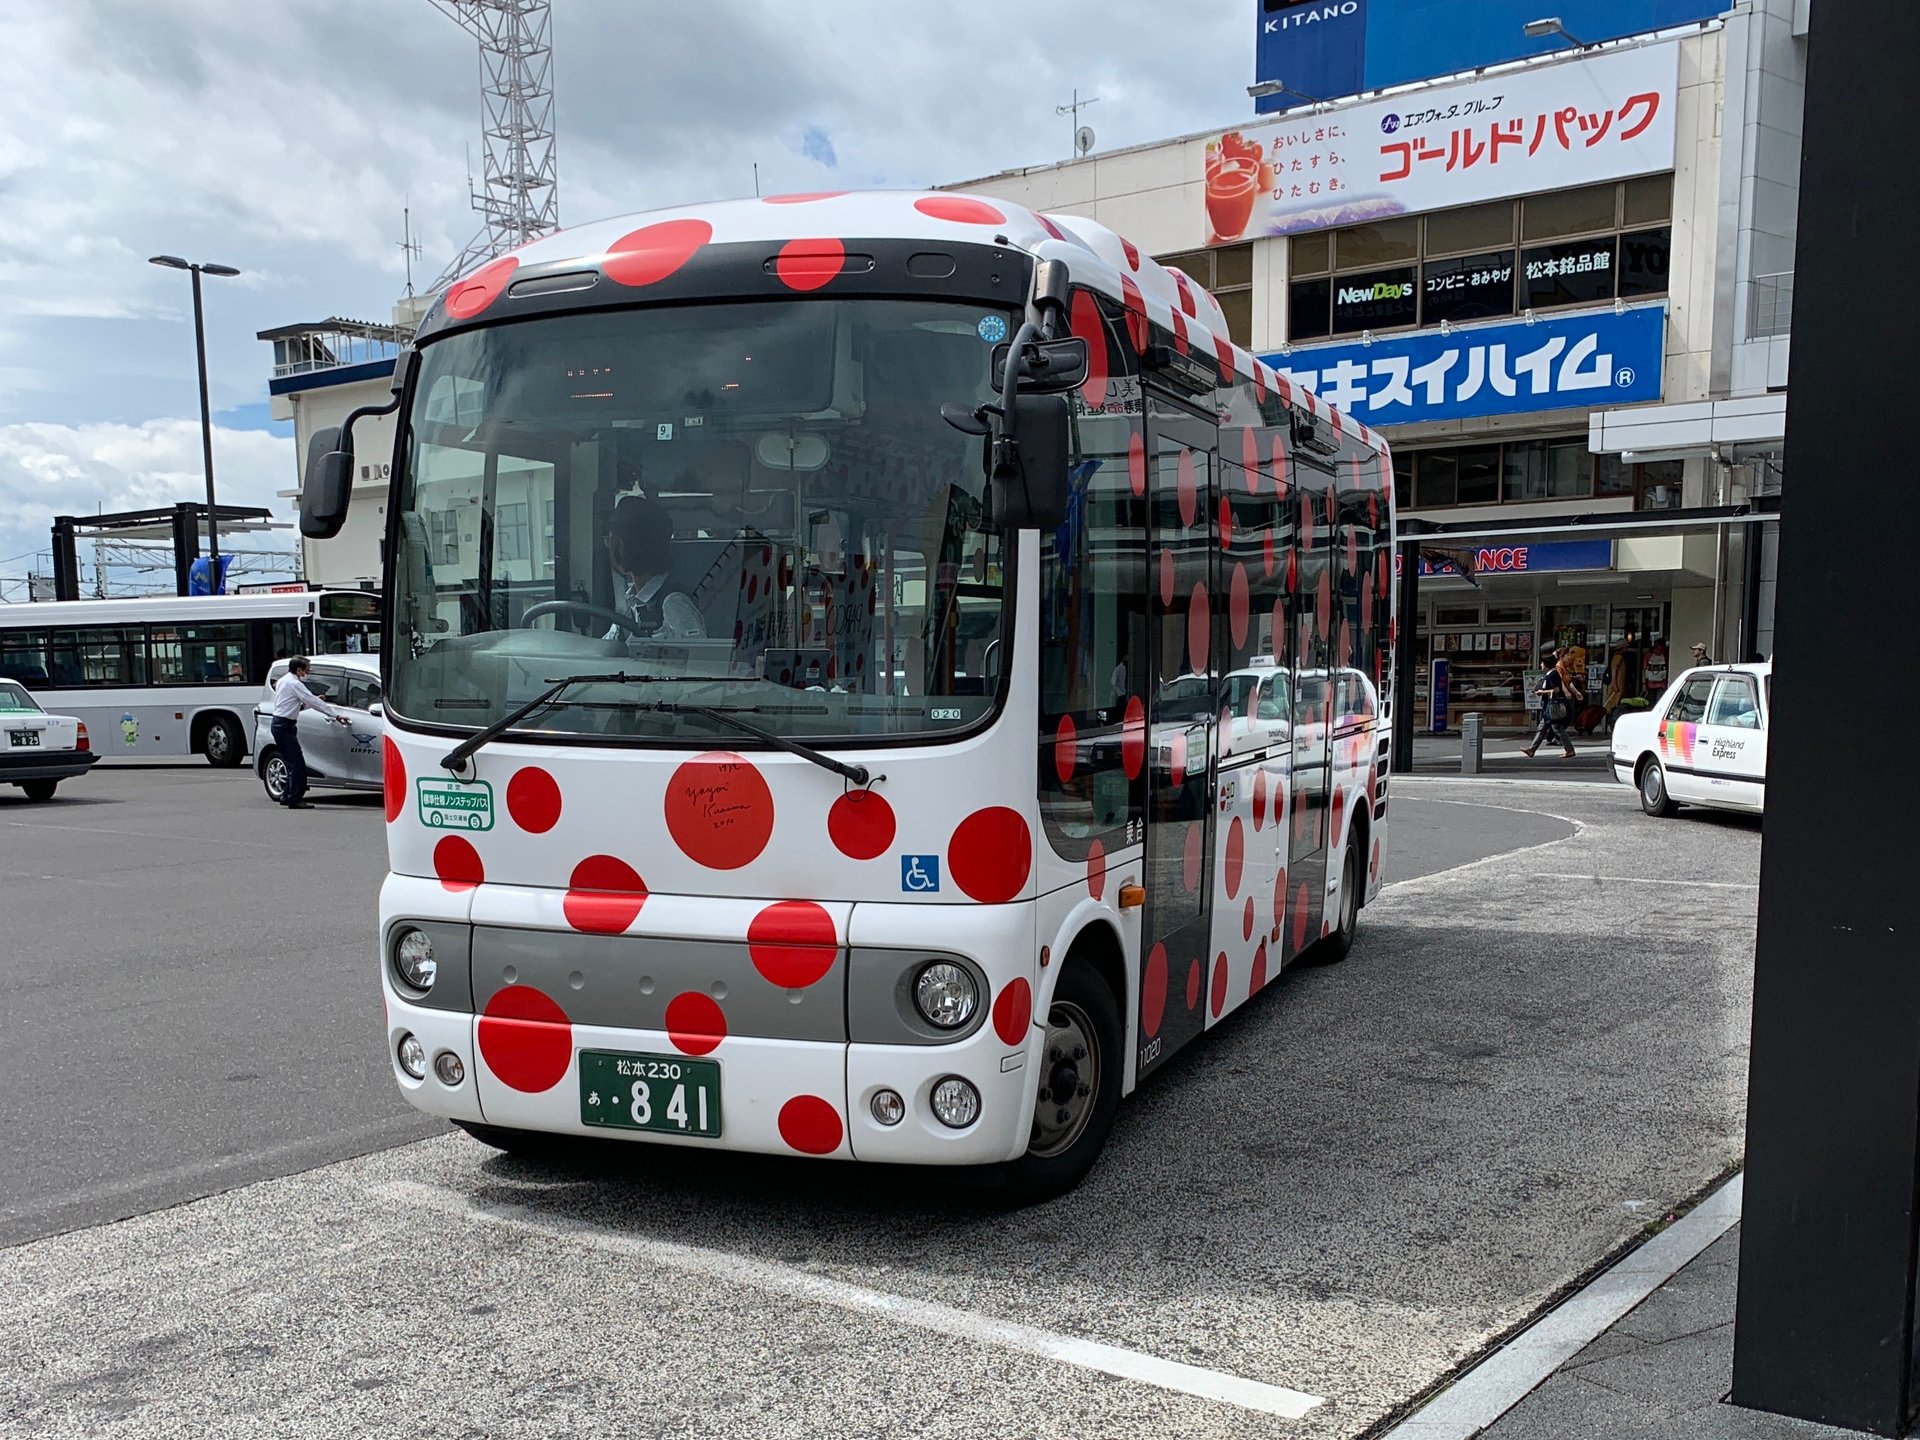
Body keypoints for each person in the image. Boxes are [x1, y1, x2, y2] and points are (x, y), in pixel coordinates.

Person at [604, 493, 706, 642]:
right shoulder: (633, 602)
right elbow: (605, 647)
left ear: (620, 546)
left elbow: (696, 657)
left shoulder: (673, 602)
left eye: (611, 541)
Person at [271, 656, 348, 809]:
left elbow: (296, 705)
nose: (309, 671)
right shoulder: (294, 683)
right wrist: (335, 715)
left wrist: (312, 701)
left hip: (281, 724)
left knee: (291, 762)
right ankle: (295, 799)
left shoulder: (284, 680)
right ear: (298, 670)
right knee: (297, 763)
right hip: (284, 725)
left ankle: (287, 795)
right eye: (307, 669)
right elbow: (313, 701)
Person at [1523, 647, 1580, 760]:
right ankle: (1532, 749)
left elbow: (1557, 690)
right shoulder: (1550, 673)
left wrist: (1541, 692)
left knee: (1556, 728)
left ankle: (1569, 750)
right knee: (1542, 727)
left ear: (1546, 664)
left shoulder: (1552, 674)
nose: (1541, 665)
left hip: (1552, 705)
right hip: (1548, 705)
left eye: (1542, 663)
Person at [1604, 628, 1639, 732]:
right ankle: (1614, 724)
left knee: (1617, 704)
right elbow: (1614, 671)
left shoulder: (1617, 657)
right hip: (1617, 685)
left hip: (1618, 684)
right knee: (1616, 704)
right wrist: (1614, 683)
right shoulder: (1618, 657)